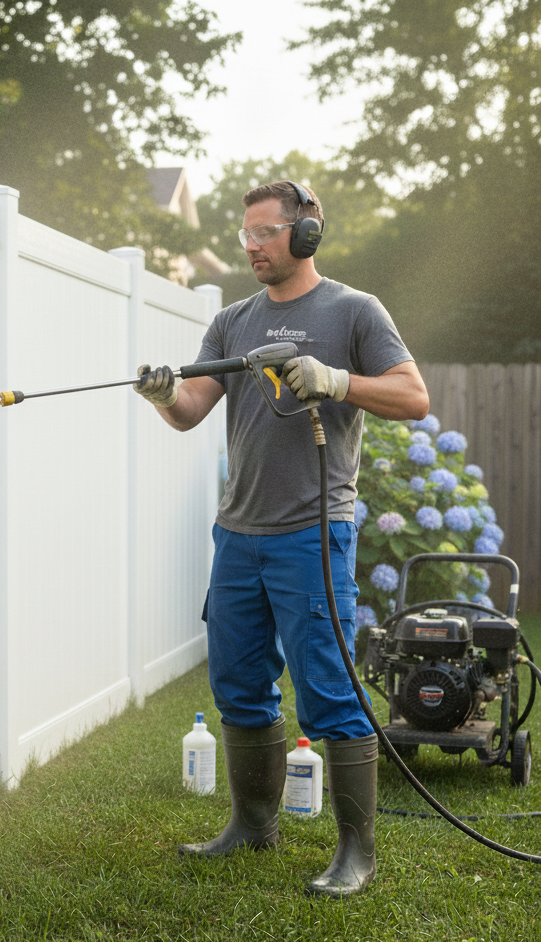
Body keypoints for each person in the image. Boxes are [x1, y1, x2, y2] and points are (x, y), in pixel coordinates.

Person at [135, 180, 429, 898]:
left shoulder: (354, 311)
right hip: (238, 532)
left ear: (305, 235)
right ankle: (252, 826)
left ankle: (356, 852)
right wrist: (164, 392)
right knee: (238, 683)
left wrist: (337, 379)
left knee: (327, 688)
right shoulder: (233, 321)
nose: (251, 246)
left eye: (266, 233)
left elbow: (413, 396)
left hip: (312, 530)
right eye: (247, 235)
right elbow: (191, 412)